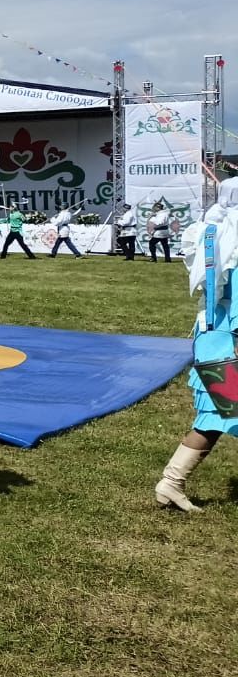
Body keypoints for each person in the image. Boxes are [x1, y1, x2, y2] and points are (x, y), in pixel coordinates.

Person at [153, 176, 238, 511]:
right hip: (228, 343)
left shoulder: (216, 237)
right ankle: (170, 483)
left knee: (213, 420)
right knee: (217, 418)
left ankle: (170, 483)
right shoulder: (235, 247)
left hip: (212, 339)